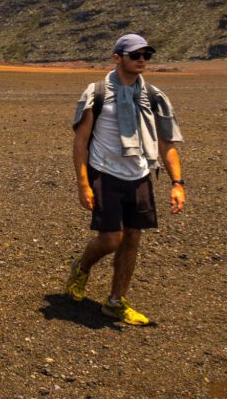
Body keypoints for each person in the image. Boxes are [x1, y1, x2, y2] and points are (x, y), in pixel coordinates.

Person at [65, 33, 186, 325]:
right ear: (117, 58)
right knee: (111, 239)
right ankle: (81, 268)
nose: (142, 60)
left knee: (132, 238)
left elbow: (166, 143)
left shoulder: (154, 97)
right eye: (135, 55)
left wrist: (177, 183)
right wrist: (83, 183)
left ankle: (115, 302)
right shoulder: (98, 93)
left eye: (146, 55)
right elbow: (81, 142)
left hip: (140, 174)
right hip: (105, 174)